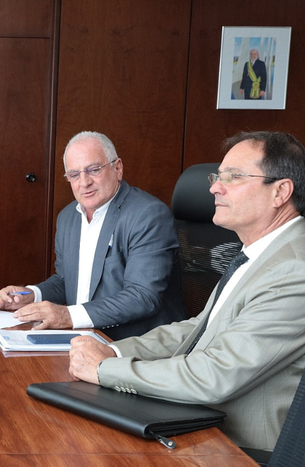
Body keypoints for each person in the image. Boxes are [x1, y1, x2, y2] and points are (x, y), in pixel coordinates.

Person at [68, 131, 305, 453]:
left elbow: (215, 375)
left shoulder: (294, 269)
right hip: (194, 420)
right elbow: (197, 329)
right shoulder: (258, 252)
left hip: (235, 447)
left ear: (280, 191)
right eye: (217, 177)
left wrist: (103, 370)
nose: (214, 188)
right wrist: (113, 352)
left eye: (233, 177)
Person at [0, 131, 185, 340]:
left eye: (94, 170)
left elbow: (142, 297)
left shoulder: (148, 215)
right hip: (84, 338)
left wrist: (67, 315)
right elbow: (66, 281)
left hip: (135, 344)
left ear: (118, 168)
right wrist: (31, 295)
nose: (84, 182)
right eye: (74, 174)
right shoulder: (68, 217)